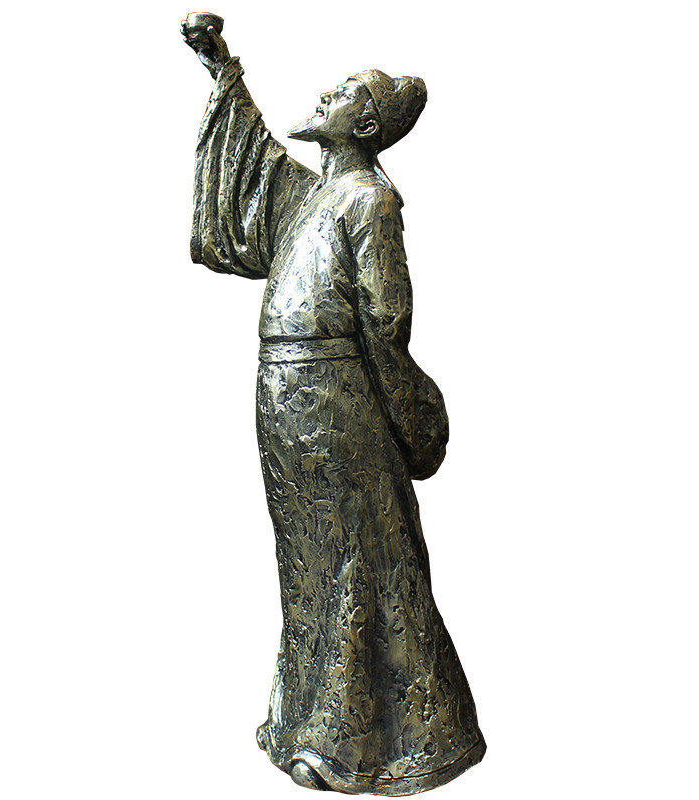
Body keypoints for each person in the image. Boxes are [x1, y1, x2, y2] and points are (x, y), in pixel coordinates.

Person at [182, 13, 485, 794]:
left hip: (337, 396)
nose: (327, 93)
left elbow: (385, 318)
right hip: (285, 396)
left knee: (359, 555)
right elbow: (254, 162)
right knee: (307, 559)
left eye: (346, 92)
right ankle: (303, 720)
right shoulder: (310, 196)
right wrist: (222, 69)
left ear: (369, 125)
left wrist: (408, 405)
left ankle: (361, 740)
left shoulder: (370, 200)